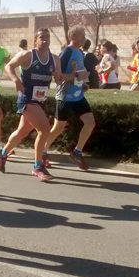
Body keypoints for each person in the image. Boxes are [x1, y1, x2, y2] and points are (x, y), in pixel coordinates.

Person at [0, 28, 61, 181]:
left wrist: (69, 75)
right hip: (27, 99)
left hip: (40, 100)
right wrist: (16, 80)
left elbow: (59, 78)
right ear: (35, 40)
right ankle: (38, 166)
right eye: (41, 37)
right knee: (44, 130)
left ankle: (2, 154)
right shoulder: (28, 55)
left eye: (47, 37)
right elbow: (8, 66)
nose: (45, 40)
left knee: (22, 132)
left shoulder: (54, 59)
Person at [43, 26, 95, 170]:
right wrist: (77, 76)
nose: (84, 38)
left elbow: (78, 74)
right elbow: (58, 78)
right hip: (64, 96)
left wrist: (83, 84)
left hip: (78, 96)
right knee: (58, 127)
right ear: (72, 37)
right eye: (81, 35)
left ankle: (76, 153)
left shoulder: (80, 53)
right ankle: (42, 151)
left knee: (90, 123)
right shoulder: (66, 52)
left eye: (84, 35)